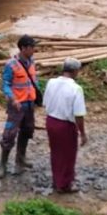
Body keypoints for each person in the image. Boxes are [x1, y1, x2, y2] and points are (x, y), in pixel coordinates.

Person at [0, 35, 39, 179]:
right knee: (9, 135)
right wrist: (13, 99)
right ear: (23, 48)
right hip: (17, 106)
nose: (34, 49)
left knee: (27, 131)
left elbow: (34, 80)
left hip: (29, 104)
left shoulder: (32, 62)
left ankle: (21, 158)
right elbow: (6, 84)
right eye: (32, 47)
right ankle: (3, 164)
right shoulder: (11, 64)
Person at [43, 58, 88, 193]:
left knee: (55, 152)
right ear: (75, 71)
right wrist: (83, 133)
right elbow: (79, 115)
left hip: (50, 121)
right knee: (68, 154)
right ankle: (64, 184)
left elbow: (45, 102)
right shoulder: (76, 88)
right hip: (65, 124)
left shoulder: (51, 82)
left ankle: (56, 179)